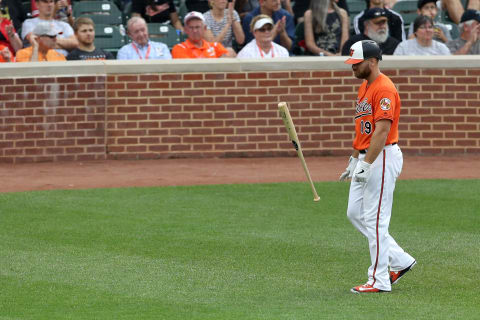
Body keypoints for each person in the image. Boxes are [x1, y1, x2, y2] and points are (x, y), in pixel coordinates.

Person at [342, 39, 416, 294]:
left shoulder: (383, 89)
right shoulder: (365, 87)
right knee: (355, 213)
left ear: (372, 62)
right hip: (368, 156)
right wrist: (355, 159)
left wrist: (367, 163)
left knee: (375, 219)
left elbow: (382, 131)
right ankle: (401, 260)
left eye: (356, 62)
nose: (352, 67)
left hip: (381, 157)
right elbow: (362, 128)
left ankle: (379, 279)